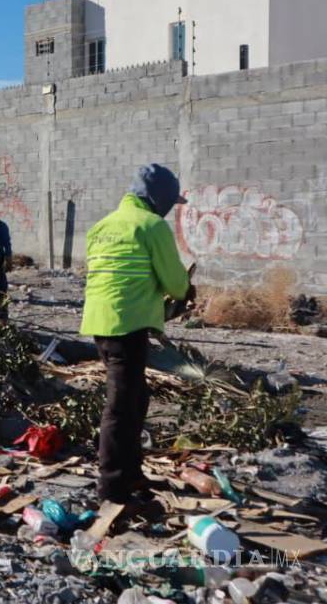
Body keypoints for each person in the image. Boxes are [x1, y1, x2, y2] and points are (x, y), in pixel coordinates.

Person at [82, 164, 193, 505]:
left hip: (100, 322)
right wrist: (186, 291)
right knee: (120, 405)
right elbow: (175, 281)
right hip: (128, 325)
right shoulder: (152, 225)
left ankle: (131, 472)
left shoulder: (102, 225)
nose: (170, 208)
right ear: (159, 198)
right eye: (170, 202)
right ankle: (112, 485)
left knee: (136, 398)